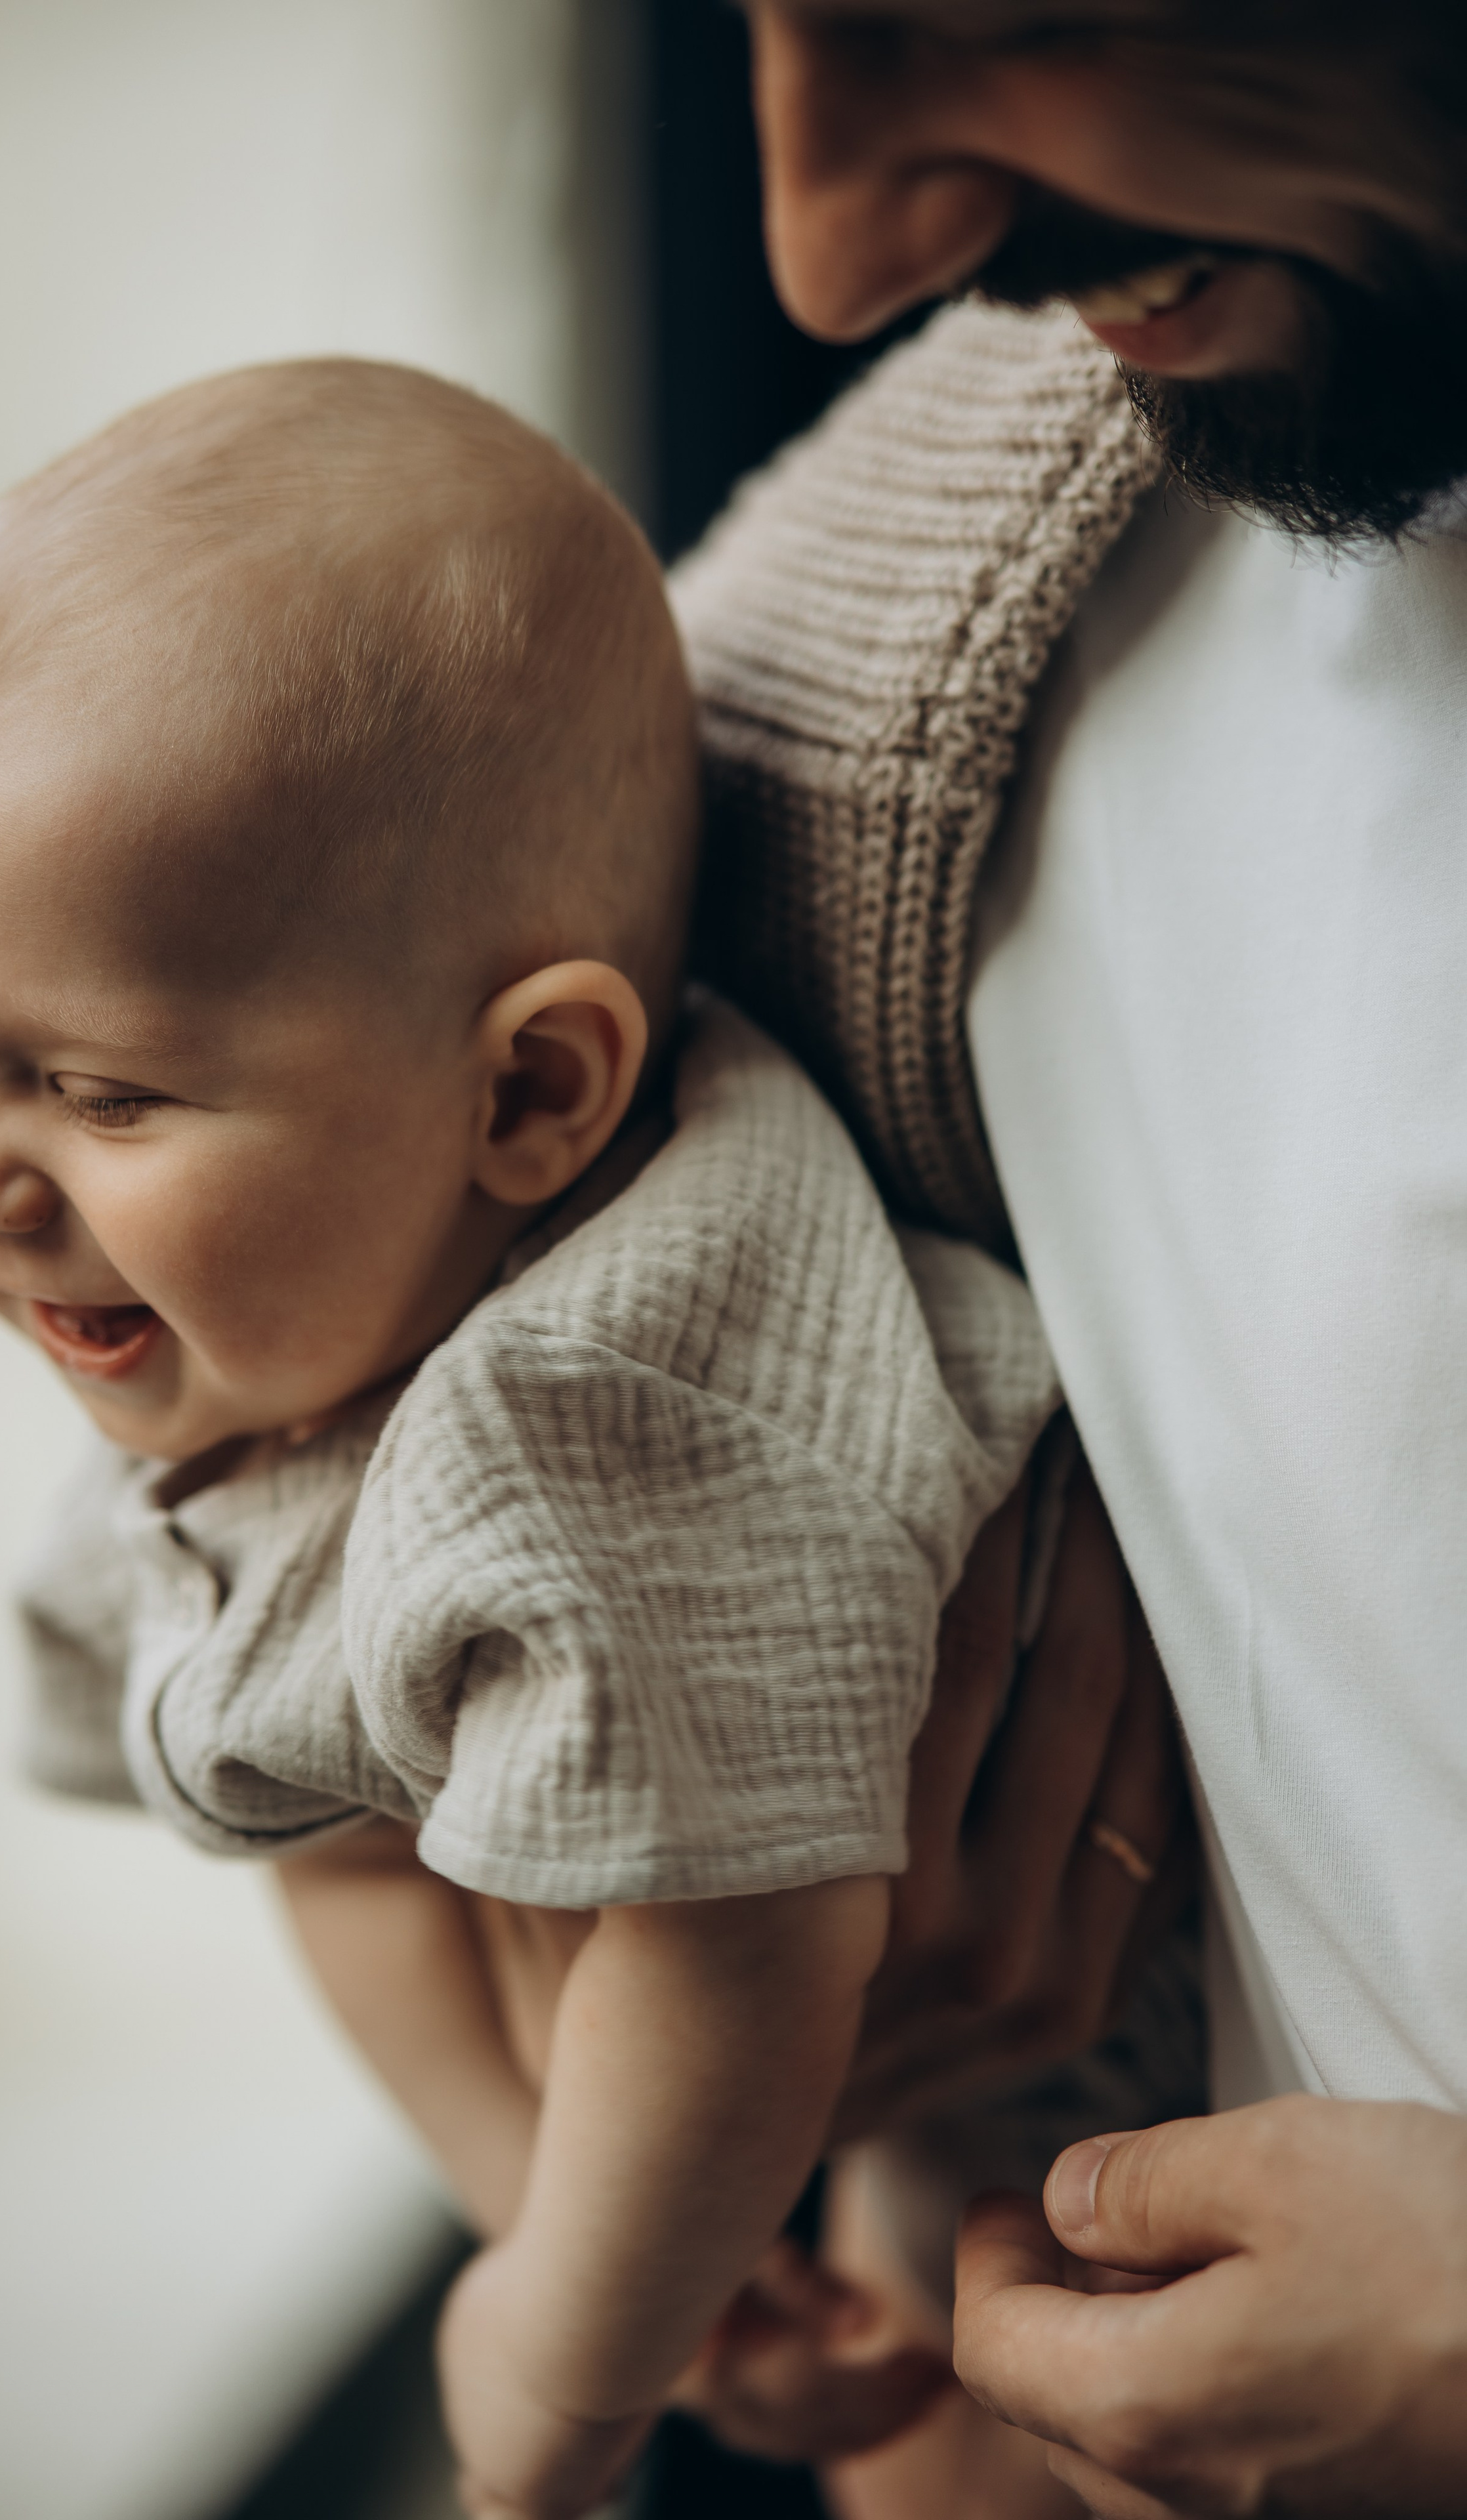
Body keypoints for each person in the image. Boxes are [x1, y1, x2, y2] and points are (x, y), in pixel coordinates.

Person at [0, 356, 1176, 2520]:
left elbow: (733, 1951)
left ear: (536, 1097)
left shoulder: (602, 1425)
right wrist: (544, 2207)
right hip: (826, 2084)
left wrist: (563, 2373)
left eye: (97, 1090)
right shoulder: (270, 1341)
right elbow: (324, 1831)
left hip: (1115, 2080)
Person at [666, 4, 1467, 2513]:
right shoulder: (885, 664)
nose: (835, 252)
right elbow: (240, 1477)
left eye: (972, 12)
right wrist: (676, 2100)